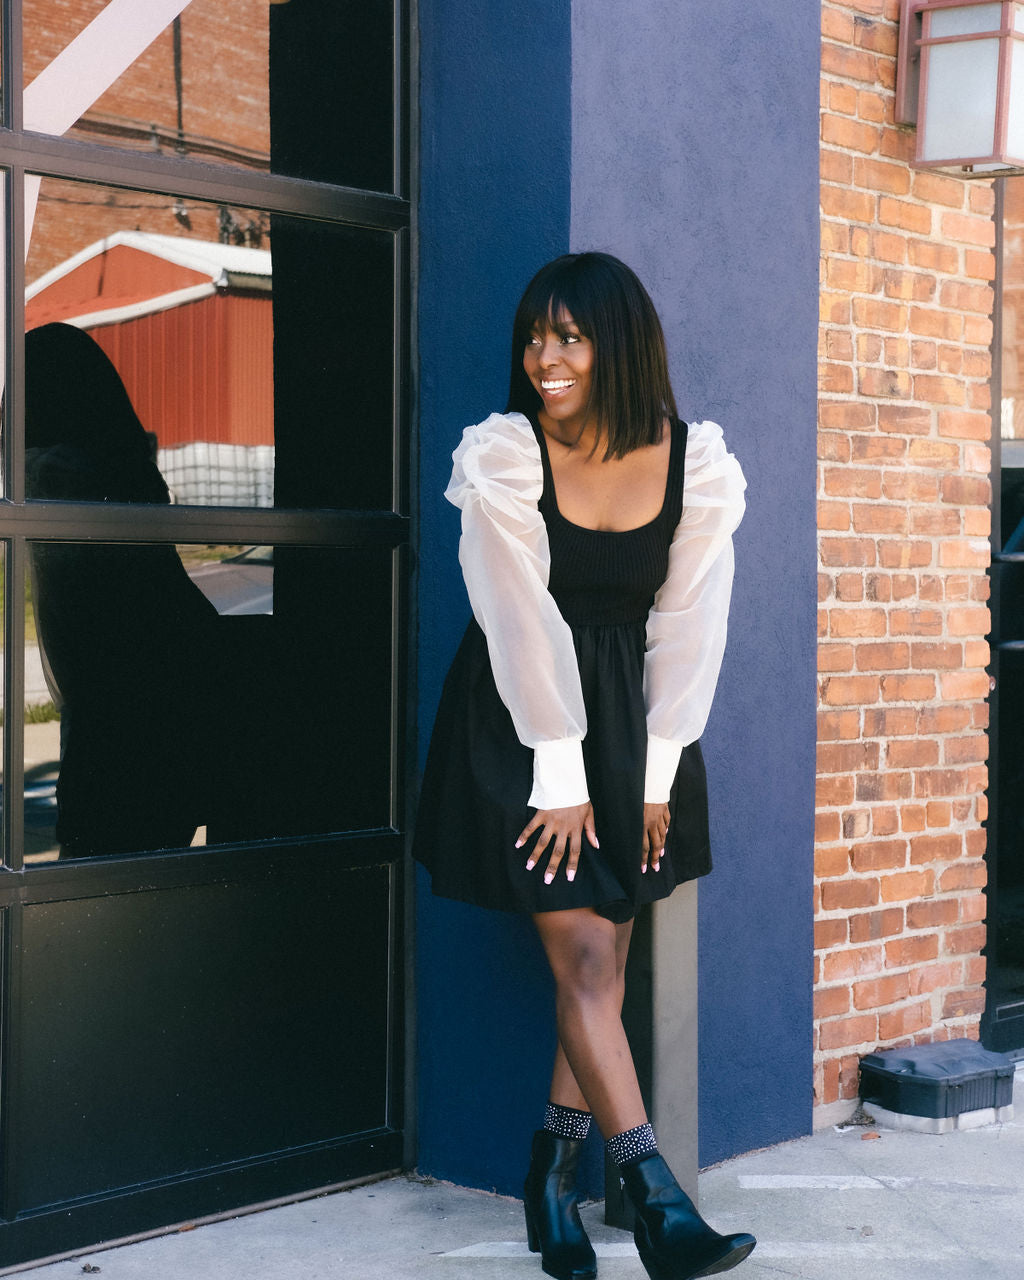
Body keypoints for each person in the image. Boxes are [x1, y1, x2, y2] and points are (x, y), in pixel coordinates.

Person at [414, 253, 754, 1280]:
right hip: (523, 721)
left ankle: (552, 1178)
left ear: (621, 344)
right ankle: (657, 1204)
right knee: (592, 967)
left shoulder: (695, 461)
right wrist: (558, 772)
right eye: (534, 336)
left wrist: (654, 773)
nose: (543, 357)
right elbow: (515, 616)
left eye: (568, 336)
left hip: (633, 732)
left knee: (599, 966)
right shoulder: (507, 453)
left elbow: (690, 621)